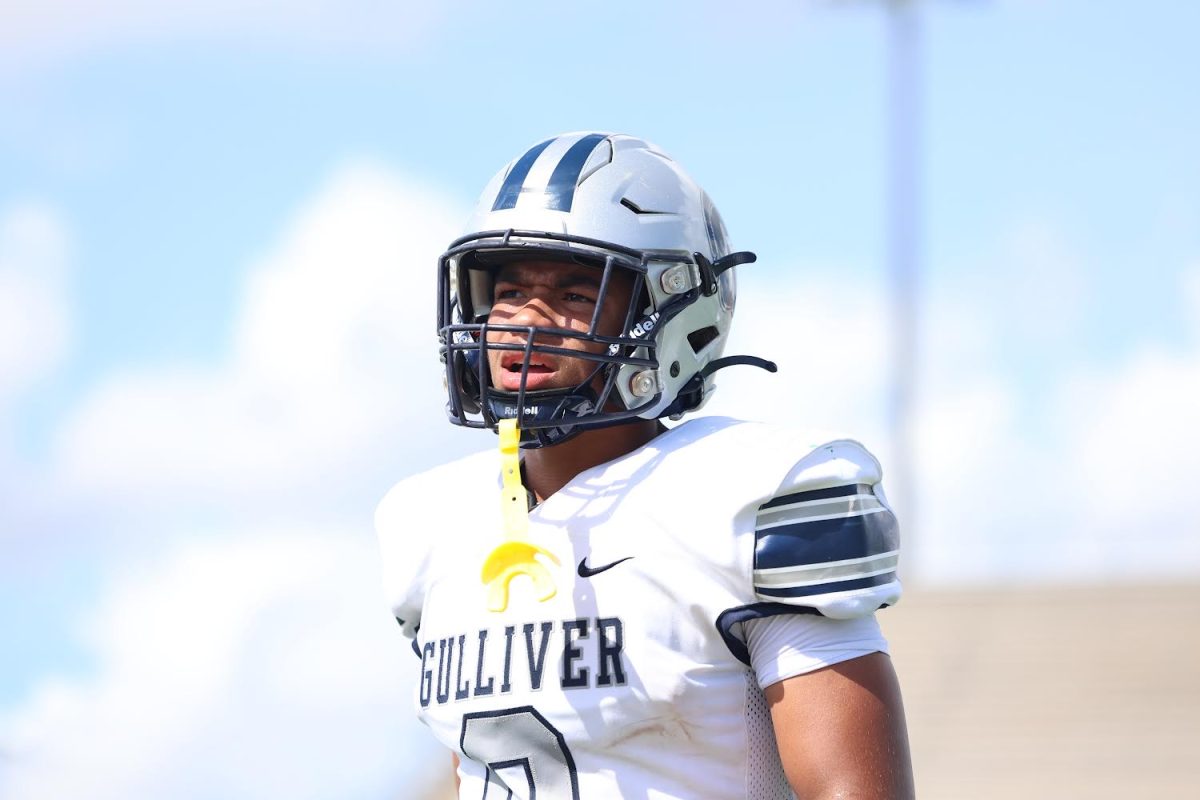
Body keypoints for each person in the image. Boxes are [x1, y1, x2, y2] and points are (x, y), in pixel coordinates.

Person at [375, 132, 914, 799]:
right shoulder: (428, 522)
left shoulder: (746, 497)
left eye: (575, 294)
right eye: (509, 290)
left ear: (669, 312)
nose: (526, 320)